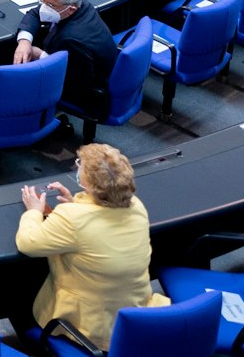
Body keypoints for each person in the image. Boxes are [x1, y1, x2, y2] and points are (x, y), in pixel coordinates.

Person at [17, 145, 166, 349]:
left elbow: (28, 243)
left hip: (93, 329)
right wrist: (74, 203)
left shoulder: (73, 218)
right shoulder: (135, 205)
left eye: (80, 164)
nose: (77, 166)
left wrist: (34, 211)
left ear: (88, 183)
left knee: (19, 298)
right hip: (136, 314)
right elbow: (98, 226)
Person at [15, 0, 119, 111]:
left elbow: (75, 80)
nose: (44, 8)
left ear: (71, 9)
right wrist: (24, 41)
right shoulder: (81, 5)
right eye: (43, 1)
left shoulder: (71, 39)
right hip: (87, 64)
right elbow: (35, 13)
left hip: (83, 88)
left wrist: (41, 55)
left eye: (50, 5)